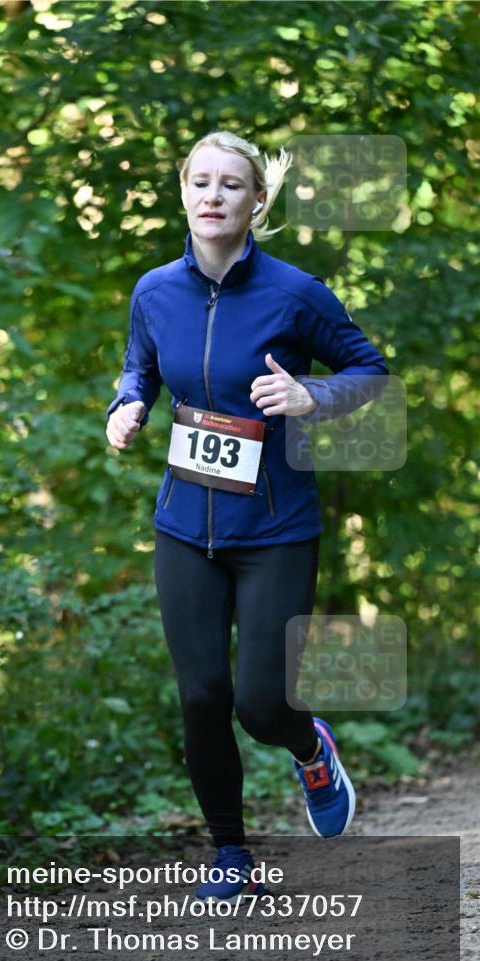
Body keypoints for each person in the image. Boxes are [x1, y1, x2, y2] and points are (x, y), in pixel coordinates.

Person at [105, 130, 389, 902]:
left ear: (256, 201)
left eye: (231, 184)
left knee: (262, 704)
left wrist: (311, 397)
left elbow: (369, 371)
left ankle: (309, 746)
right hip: (183, 525)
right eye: (200, 181)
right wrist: (126, 405)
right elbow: (139, 367)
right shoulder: (153, 290)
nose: (213, 195)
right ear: (183, 193)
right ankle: (229, 854)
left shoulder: (295, 292)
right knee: (201, 695)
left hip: (274, 530)